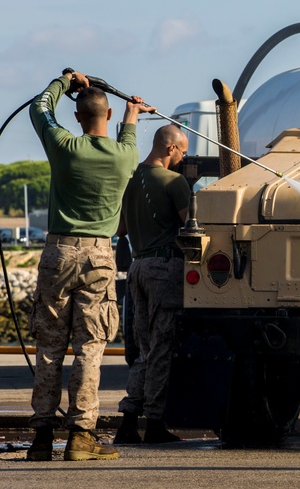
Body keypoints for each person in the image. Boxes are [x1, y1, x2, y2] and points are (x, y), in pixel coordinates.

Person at [27, 70, 149, 461]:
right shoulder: (125, 154)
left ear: (77, 118)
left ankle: (42, 437)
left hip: (58, 251)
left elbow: (39, 108)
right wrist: (133, 110)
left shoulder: (65, 146)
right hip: (99, 255)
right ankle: (81, 436)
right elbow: (128, 132)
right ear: (108, 115)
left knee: (49, 346)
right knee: (90, 347)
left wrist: (64, 81)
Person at [114, 124, 191, 445]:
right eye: (183, 152)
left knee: (144, 351)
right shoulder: (175, 182)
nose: (183, 159)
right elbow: (191, 229)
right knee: (162, 348)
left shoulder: (130, 181)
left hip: (138, 267)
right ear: (170, 148)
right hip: (164, 268)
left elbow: (120, 230)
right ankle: (156, 424)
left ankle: (128, 422)